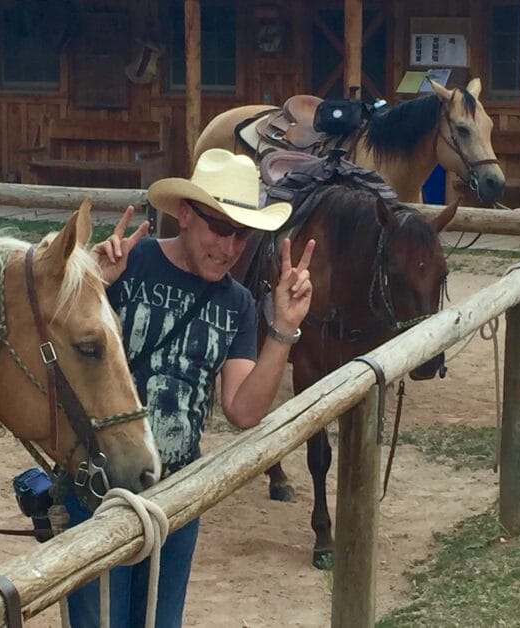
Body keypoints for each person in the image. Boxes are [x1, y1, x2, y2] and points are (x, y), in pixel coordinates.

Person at [64, 148, 315, 627]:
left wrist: (282, 329)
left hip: (177, 493)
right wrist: (91, 280)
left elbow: (243, 410)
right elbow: (63, 342)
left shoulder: (239, 305)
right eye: (220, 228)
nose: (230, 247)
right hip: (100, 484)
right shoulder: (128, 264)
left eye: (242, 234)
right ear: (184, 214)